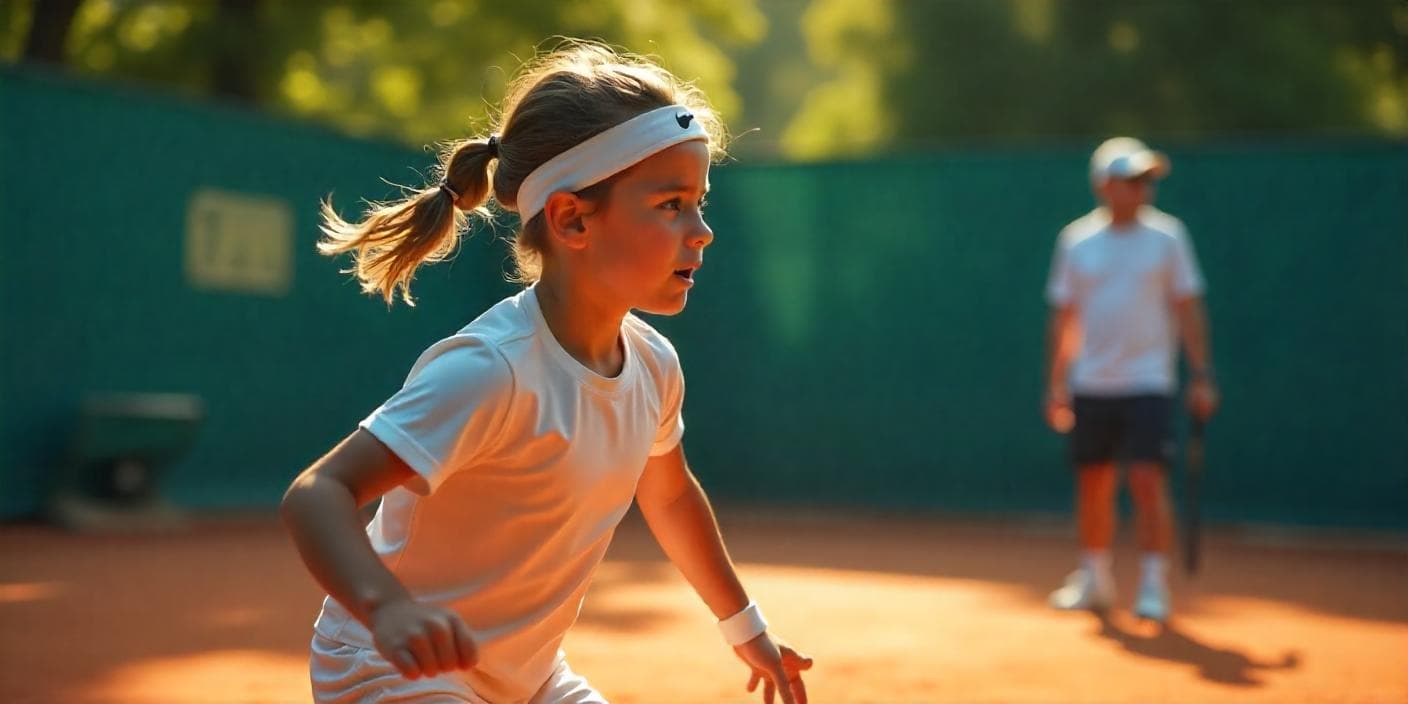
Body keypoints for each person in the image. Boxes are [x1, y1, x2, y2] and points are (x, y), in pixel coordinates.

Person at [281, 41, 813, 704]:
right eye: (671, 204)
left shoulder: (653, 365)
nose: (701, 230)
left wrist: (745, 627)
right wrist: (386, 608)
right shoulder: (490, 371)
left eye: (699, 202)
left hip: (527, 680)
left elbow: (671, 496)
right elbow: (317, 492)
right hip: (390, 669)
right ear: (572, 218)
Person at [1043, 137, 1219, 622]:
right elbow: (1064, 319)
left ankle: (1153, 585)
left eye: (1147, 180)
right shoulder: (1075, 241)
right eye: (1133, 180)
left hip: (1149, 381)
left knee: (1145, 479)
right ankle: (1094, 579)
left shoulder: (1169, 238)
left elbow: (1188, 307)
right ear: (1104, 186)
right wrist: (1057, 382)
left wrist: (1201, 374)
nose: (1143, 188)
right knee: (1093, 483)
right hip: (1091, 383)